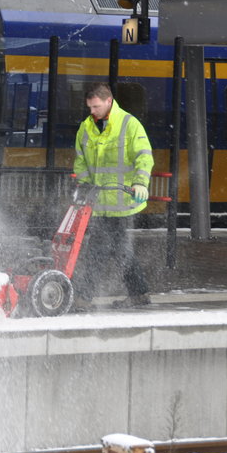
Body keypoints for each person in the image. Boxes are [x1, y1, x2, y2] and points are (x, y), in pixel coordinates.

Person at [72, 82, 154, 310]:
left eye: (96, 107)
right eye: (89, 107)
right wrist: (84, 184)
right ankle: (139, 294)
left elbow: (144, 157)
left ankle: (83, 297)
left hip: (122, 201)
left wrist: (140, 183)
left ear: (109, 102)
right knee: (119, 250)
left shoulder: (129, 124)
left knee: (96, 250)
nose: (92, 111)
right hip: (99, 202)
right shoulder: (86, 127)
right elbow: (81, 161)